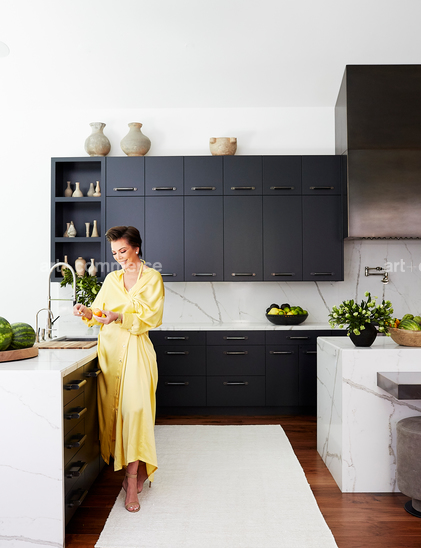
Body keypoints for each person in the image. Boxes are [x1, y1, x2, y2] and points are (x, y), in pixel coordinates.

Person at [73, 225, 164, 513]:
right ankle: (130, 473)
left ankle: (132, 480)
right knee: (115, 415)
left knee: (135, 412)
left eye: (123, 250)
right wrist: (88, 312)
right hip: (110, 354)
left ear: (136, 247)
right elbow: (100, 313)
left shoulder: (152, 278)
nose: (119, 257)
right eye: (114, 253)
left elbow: (152, 317)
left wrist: (119, 316)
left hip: (137, 351)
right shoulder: (112, 279)